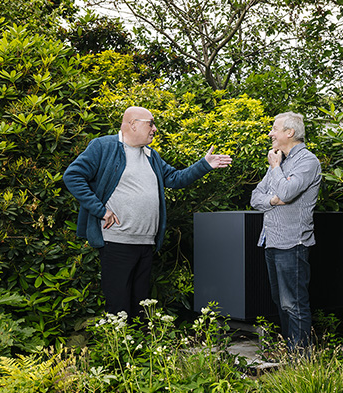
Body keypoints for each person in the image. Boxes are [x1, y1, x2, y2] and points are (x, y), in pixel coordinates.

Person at [64, 106, 232, 317]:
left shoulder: (151, 155)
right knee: (118, 306)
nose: (154, 129)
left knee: (140, 306)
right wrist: (101, 210)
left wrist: (204, 165)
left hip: (145, 242)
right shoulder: (103, 146)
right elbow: (73, 176)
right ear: (132, 124)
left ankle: (140, 348)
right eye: (150, 123)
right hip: (117, 241)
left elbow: (175, 179)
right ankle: (117, 348)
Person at [250, 112, 321, 350]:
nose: (271, 133)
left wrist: (275, 169)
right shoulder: (281, 163)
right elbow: (255, 198)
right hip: (271, 241)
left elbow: (288, 193)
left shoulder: (307, 162)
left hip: (293, 243)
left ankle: (301, 358)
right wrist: (273, 200)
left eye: (274, 128)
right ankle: (291, 352)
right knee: (281, 303)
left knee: (294, 304)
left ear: (290, 132)